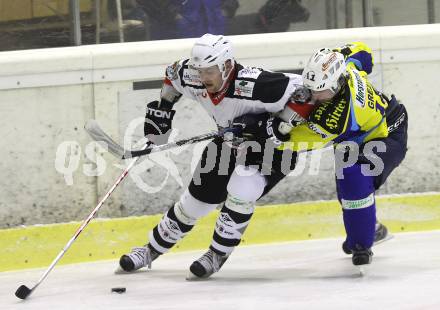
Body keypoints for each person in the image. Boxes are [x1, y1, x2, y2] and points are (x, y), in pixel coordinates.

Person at [118, 33, 303, 279]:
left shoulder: (258, 84)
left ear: (226, 66)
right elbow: (173, 75)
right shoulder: (192, 74)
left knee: (240, 191)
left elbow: (305, 94)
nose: (203, 78)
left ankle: (216, 254)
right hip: (229, 142)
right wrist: (164, 107)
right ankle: (150, 251)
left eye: (210, 71)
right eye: (200, 70)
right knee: (193, 203)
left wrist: (265, 125)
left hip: (272, 150)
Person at [264, 42, 408, 266]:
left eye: (319, 90)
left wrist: (271, 133)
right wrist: (337, 55)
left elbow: (296, 141)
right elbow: (364, 52)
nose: (314, 95)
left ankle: (362, 244)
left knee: (354, 177)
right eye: (311, 88)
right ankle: (372, 228)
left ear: (335, 83)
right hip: (356, 137)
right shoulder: (345, 68)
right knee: (347, 189)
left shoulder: (336, 118)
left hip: (387, 135)